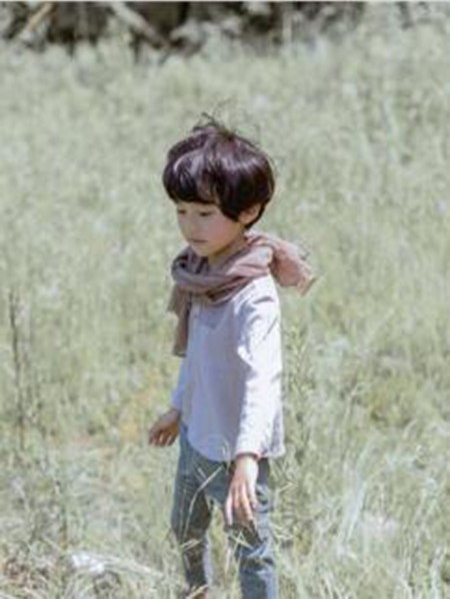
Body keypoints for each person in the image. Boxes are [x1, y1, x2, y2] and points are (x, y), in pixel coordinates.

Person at [148, 114, 315, 599]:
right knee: (185, 528)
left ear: (248, 210)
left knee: (251, 551)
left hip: (237, 454)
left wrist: (246, 457)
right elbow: (198, 356)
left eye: (204, 213)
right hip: (195, 438)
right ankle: (195, 592)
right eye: (181, 211)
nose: (190, 226)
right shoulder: (202, 273)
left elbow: (264, 381)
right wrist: (177, 407)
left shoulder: (252, 294)